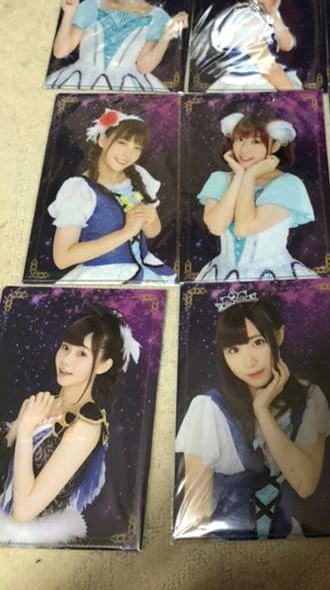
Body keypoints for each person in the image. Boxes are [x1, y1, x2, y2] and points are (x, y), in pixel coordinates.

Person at [174, 291, 330, 539]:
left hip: (289, 542)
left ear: (278, 336)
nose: (248, 361)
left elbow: (305, 485)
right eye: (234, 350)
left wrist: (262, 412)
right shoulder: (208, 409)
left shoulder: (310, 398)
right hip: (223, 546)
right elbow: (196, 514)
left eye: (258, 342)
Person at [0, 306, 139, 543]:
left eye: (82, 354)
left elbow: (23, 512)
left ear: (103, 365)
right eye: (65, 347)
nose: (66, 360)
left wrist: (25, 432)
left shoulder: (87, 425)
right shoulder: (42, 404)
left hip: (29, 541)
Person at [48, 107, 176, 284]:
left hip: (147, 270)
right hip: (103, 277)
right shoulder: (79, 189)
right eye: (122, 143)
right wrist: (126, 232)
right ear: (102, 140)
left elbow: (153, 232)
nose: (128, 154)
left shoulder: (139, 176)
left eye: (137, 148)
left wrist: (150, 218)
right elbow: (62, 259)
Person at [195, 104, 317, 281]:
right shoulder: (219, 179)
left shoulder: (289, 185)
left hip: (275, 274)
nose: (245, 149)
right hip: (220, 273)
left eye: (256, 142)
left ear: (275, 146)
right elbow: (217, 227)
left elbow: (243, 228)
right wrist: (240, 176)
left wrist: (250, 176)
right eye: (240, 140)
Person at [45, 0, 188, 91]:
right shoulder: (92, 5)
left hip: (129, 83)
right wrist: (69, 13)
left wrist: (166, 35)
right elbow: (60, 52)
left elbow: (144, 68)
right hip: (79, 78)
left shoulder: (158, 16)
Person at [190, 0, 301, 91]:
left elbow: (286, 45)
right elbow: (267, 67)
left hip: (264, 76)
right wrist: (294, 97)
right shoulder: (244, 18)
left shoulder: (264, 10)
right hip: (245, 84)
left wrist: (274, 14)